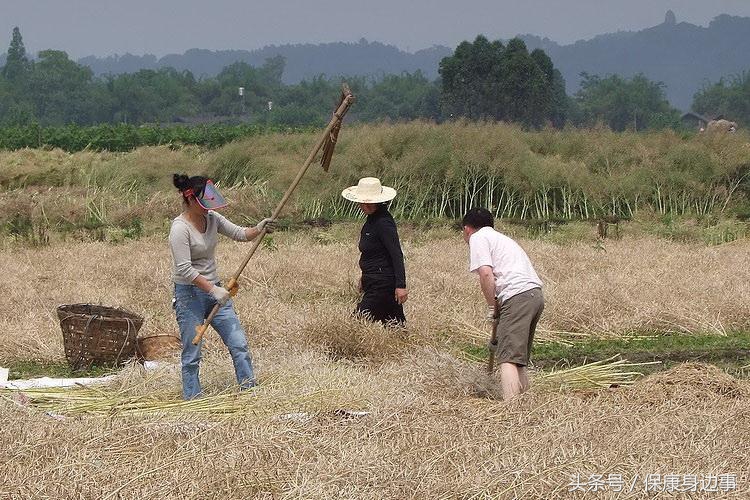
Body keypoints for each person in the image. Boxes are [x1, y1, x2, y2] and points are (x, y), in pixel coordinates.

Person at [169, 174, 275, 400]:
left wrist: (258, 228)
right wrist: (213, 290)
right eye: (203, 204)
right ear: (189, 199)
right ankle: (193, 398)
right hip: (190, 295)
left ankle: (249, 391)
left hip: (215, 292)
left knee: (239, 343)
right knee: (192, 351)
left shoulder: (213, 218)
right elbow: (185, 269)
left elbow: (239, 234)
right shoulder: (179, 229)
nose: (208, 208)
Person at [461, 207, 544, 400]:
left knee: (507, 358)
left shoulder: (478, 238)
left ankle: (511, 410)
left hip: (517, 297)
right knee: (518, 359)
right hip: (535, 296)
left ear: (466, 229)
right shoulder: (502, 239)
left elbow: (486, 273)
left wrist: (493, 306)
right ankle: (524, 404)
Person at [341, 177, 408, 325]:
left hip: (382, 284)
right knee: (395, 326)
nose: (365, 205)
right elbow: (371, 254)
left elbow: (396, 254)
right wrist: (364, 278)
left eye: (369, 202)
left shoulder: (383, 222)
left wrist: (401, 285)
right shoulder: (371, 220)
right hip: (374, 280)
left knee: (357, 322)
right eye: (363, 202)